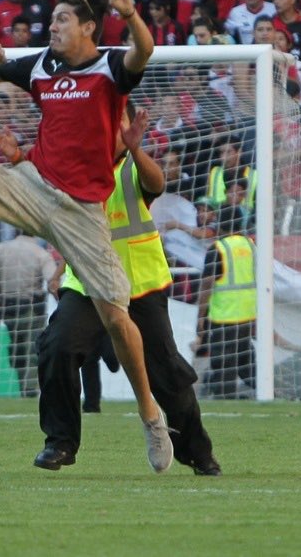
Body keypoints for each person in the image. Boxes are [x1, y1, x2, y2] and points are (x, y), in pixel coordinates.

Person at [0, 0, 174, 472]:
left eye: (63, 19)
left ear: (89, 26)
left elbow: (144, 49)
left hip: (83, 211)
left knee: (115, 318)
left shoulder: (111, 66)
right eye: (54, 19)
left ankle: (150, 413)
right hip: (34, 183)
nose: (53, 26)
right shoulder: (42, 64)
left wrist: (130, 13)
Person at [12, 107, 221, 475]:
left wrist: (137, 150)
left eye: (116, 122)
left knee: (166, 372)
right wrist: (17, 162)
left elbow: (156, 184)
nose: (110, 129)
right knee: (57, 345)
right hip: (90, 282)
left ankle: (198, 453)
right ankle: (60, 443)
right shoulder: (76, 169)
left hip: (140, 282)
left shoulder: (132, 167)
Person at [0, 233, 60, 397]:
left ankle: (23, 384)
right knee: (32, 349)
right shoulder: (40, 253)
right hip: (31, 308)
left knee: (16, 348)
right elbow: (52, 282)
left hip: (7, 308)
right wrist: (60, 303)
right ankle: (29, 390)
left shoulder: (2, 248)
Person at [193, 205, 256, 399]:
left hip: (224, 316)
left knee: (223, 365)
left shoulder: (219, 248)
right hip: (248, 314)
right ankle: (272, 392)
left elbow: (207, 285)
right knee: (244, 361)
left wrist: (200, 316)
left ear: (220, 224)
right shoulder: (250, 246)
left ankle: (226, 402)